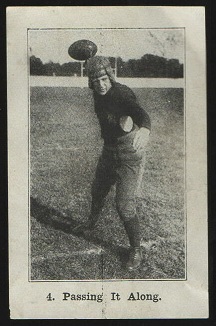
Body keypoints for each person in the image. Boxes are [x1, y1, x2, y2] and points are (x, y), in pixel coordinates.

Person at [73, 56, 151, 271]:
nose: (100, 84)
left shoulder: (121, 92)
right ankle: (91, 223)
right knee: (97, 190)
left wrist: (144, 128)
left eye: (104, 78)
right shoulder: (98, 93)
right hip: (109, 152)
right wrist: (92, 62)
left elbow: (140, 113)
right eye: (96, 80)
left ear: (111, 77)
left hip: (127, 154)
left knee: (124, 205)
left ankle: (136, 249)